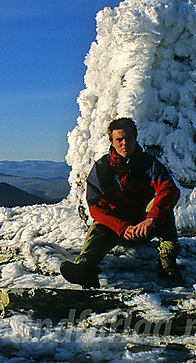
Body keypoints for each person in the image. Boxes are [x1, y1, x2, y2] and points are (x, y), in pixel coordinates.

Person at [61, 117, 181, 288]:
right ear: (112, 141)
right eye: (119, 139)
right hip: (118, 228)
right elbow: (95, 206)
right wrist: (122, 227)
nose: (125, 143)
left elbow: (169, 189)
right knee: (99, 225)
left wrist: (151, 219)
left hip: (144, 224)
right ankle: (86, 268)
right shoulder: (102, 167)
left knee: (162, 203)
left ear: (135, 138)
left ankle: (167, 260)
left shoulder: (149, 164)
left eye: (129, 138)